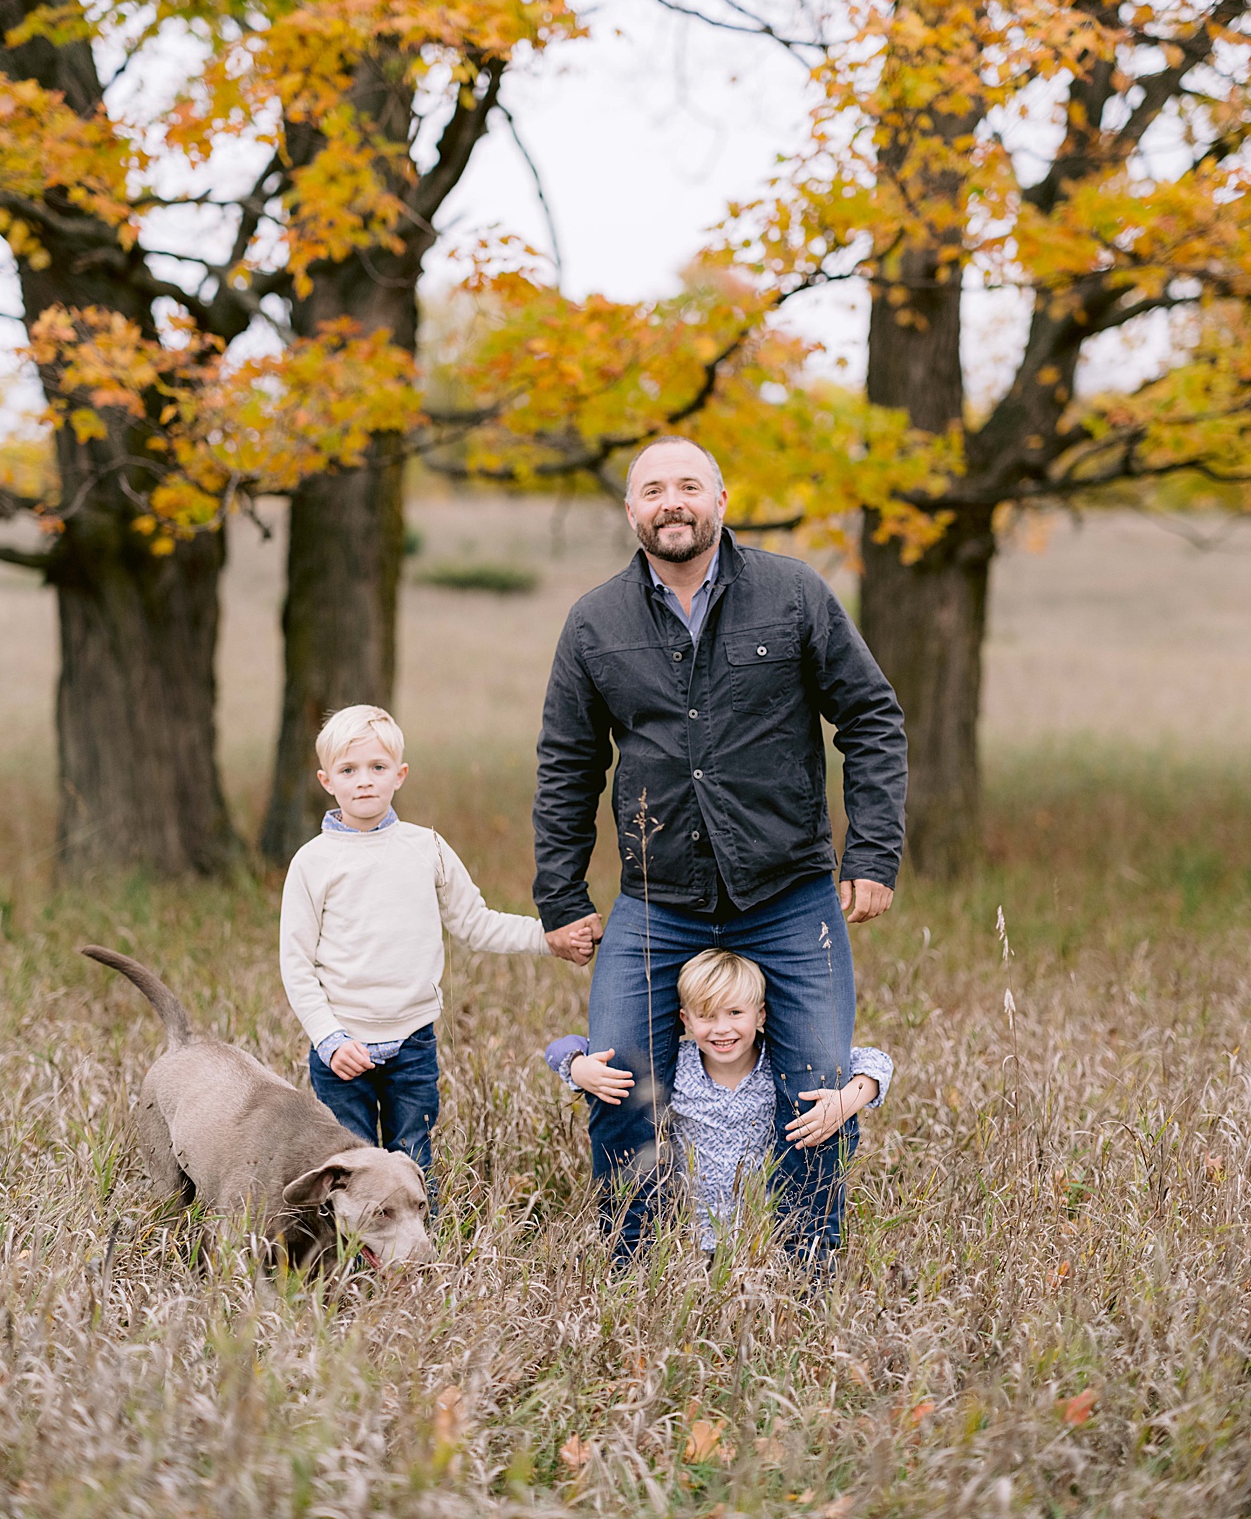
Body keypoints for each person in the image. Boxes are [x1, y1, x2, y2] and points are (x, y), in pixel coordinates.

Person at [532, 436, 907, 1261]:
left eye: (690, 485)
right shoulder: (595, 620)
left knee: (813, 1094)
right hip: (657, 899)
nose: (673, 501)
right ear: (632, 510)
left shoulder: (793, 593)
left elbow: (872, 718)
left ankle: (802, 1282)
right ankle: (637, 1276)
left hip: (791, 893)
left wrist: (873, 852)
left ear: (721, 500)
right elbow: (568, 762)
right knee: (620, 1081)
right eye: (654, 489)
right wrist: (561, 897)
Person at [280, 704, 594, 1176]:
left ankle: (416, 1248)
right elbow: (297, 964)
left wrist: (546, 939)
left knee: (414, 1161)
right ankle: (352, 1250)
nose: (364, 780)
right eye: (349, 770)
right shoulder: (313, 862)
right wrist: (328, 1038)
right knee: (349, 1169)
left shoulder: (425, 848)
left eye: (377, 768)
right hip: (343, 1048)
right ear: (326, 780)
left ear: (399, 774)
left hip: (412, 1044)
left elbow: (476, 922)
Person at [545, 949, 893, 1252]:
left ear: (761, 1015)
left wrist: (847, 1099)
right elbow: (558, 1048)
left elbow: (876, 1063)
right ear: (685, 1019)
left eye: (735, 1014)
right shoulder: (677, 1065)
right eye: (707, 1016)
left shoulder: (780, 1065)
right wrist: (578, 1067)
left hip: (762, 1236)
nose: (721, 1029)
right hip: (689, 1238)